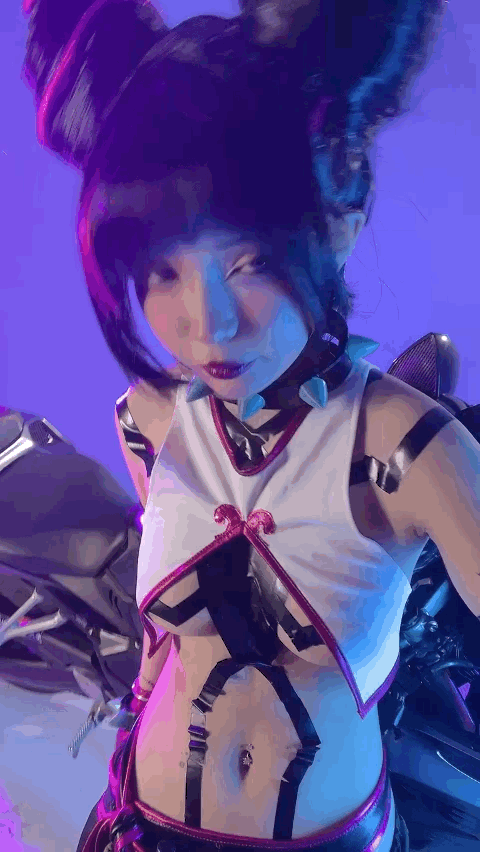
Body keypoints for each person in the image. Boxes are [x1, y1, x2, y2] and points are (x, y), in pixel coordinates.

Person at [22, 1, 480, 851]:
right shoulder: (151, 419)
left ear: (339, 221)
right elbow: (164, 632)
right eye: (161, 271)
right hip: (141, 819)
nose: (209, 327)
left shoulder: (406, 447)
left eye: (250, 262)